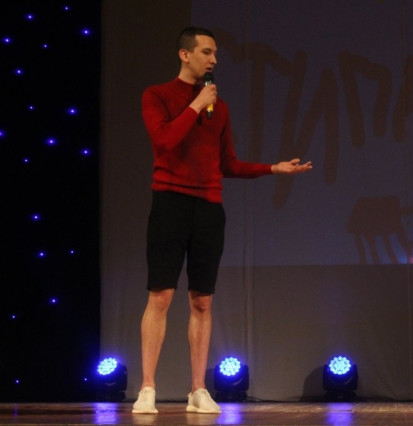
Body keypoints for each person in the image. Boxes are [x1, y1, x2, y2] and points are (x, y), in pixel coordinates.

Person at [132, 26, 312, 415]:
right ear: (185, 54)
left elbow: (227, 163)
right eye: (207, 52)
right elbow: (164, 140)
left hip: (209, 208)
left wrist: (272, 168)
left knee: (202, 300)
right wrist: (196, 105)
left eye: (215, 54)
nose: (214, 59)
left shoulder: (220, 107)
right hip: (170, 203)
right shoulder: (158, 96)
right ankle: (147, 387)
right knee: (161, 295)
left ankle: (198, 389)